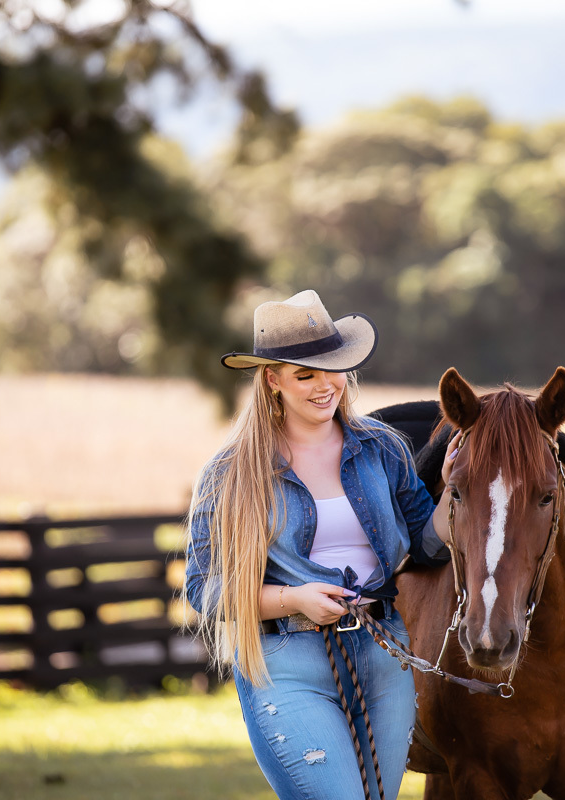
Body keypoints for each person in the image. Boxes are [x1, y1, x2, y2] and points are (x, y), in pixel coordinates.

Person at [184, 289, 459, 800]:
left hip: (383, 652)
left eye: (332, 367)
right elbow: (205, 591)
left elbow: (425, 545)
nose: (324, 385)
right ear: (273, 379)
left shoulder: (383, 448)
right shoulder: (229, 473)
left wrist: (454, 493)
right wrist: (294, 598)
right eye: (304, 374)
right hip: (288, 659)